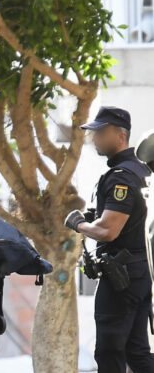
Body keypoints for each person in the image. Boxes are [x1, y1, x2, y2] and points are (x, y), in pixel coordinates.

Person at [64, 106, 154, 373]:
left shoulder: (122, 177)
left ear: (120, 135)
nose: (95, 139)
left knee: (109, 351)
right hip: (138, 274)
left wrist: (78, 223)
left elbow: (108, 231)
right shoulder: (140, 171)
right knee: (136, 353)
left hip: (122, 277)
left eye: (101, 132)